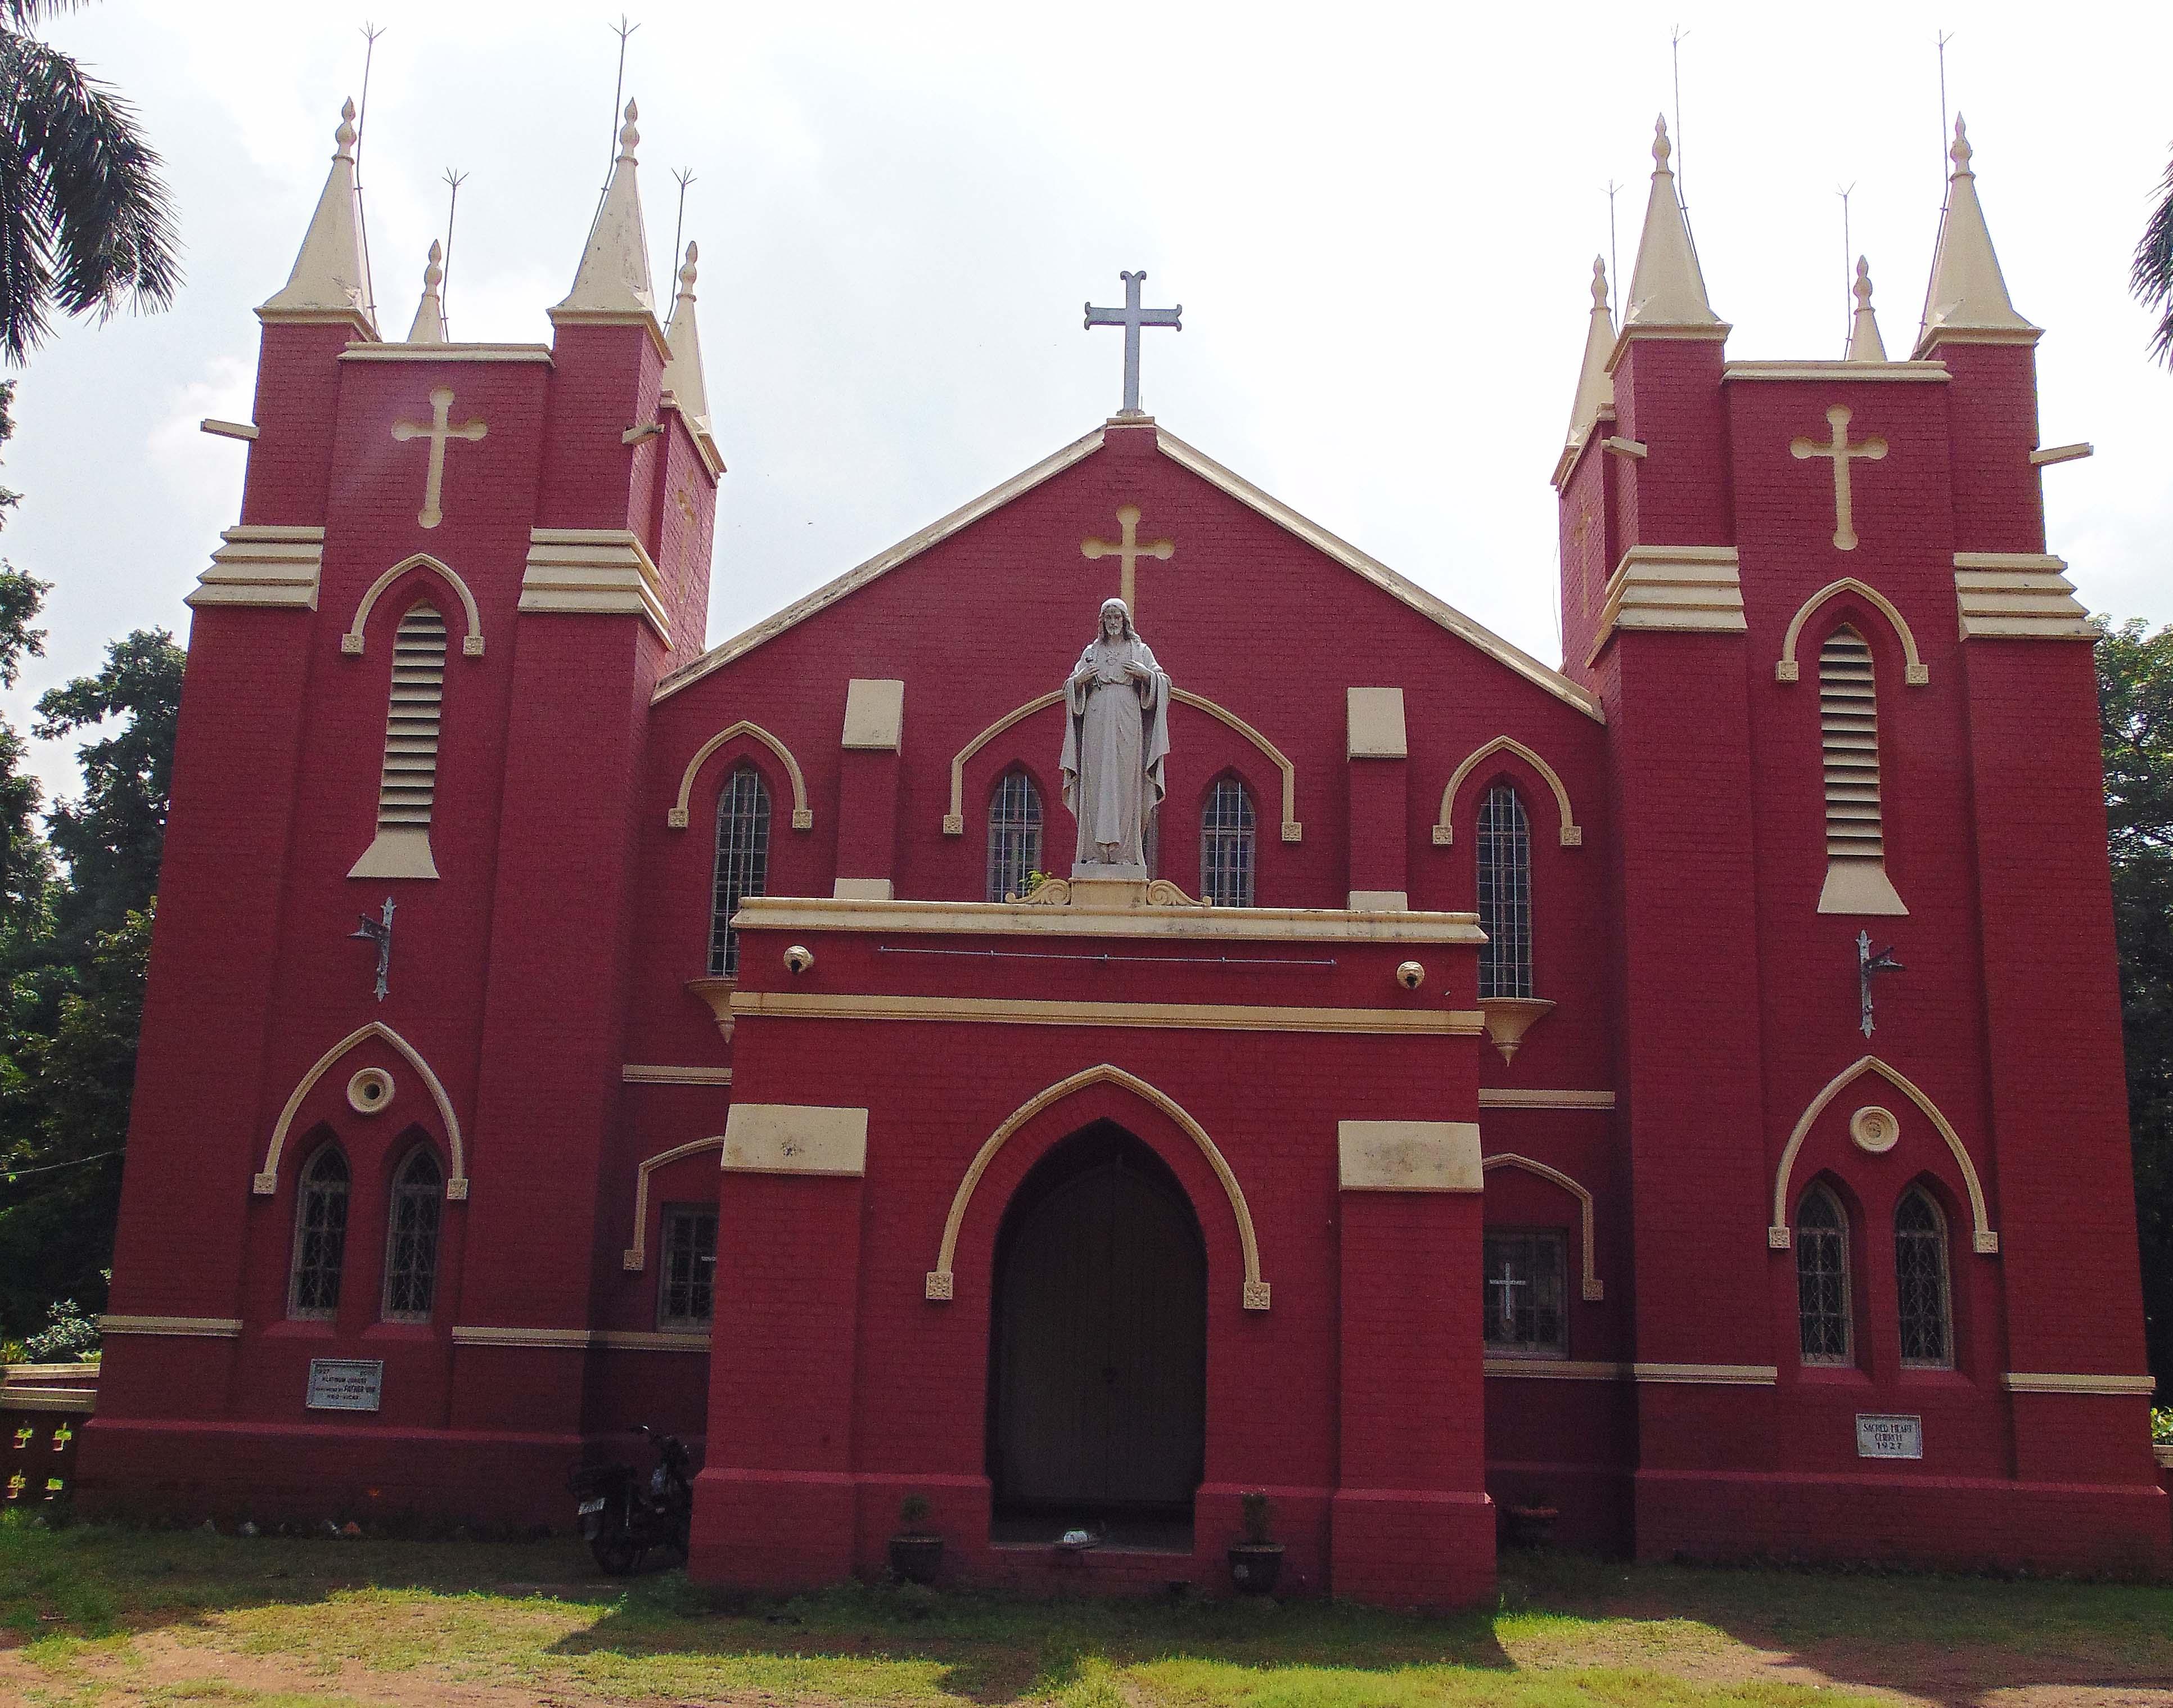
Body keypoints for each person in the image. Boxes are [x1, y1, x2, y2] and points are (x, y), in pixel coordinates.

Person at [1060, 598, 1172, 869]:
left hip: (1128, 718)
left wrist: (1147, 676)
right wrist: (1081, 681)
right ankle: (1093, 852)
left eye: (1117, 618)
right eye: (1108, 618)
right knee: (1095, 780)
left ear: (1125, 622)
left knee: (1126, 782)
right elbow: (1071, 686)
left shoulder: (1139, 650)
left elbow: (1164, 682)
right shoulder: (1091, 653)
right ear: (1102, 621)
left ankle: (1125, 853)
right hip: (1096, 718)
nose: (1112, 623)